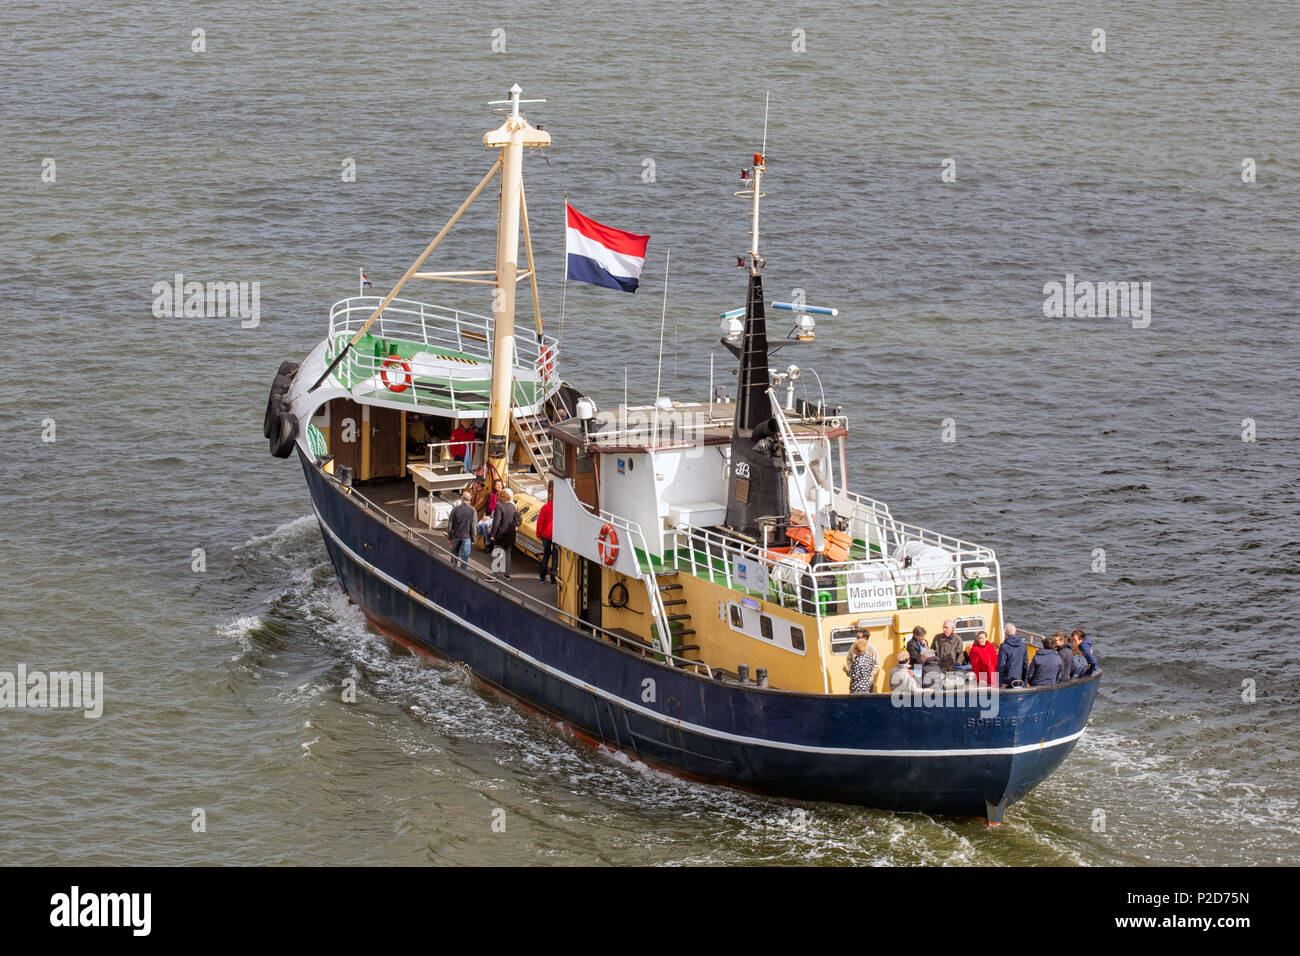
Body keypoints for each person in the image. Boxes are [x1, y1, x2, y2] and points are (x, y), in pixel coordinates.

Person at [489, 488, 520, 578]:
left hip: (501, 534)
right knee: (507, 554)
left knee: (497, 552)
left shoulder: (499, 506)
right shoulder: (512, 506)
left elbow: (496, 522)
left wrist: (492, 534)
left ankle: (495, 575)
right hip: (511, 534)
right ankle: (507, 574)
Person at [447, 489, 476, 570]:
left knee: (454, 553)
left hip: (456, 535)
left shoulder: (455, 509)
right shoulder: (473, 511)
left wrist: (449, 537)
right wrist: (473, 539)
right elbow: (473, 526)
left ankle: (453, 568)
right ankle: (463, 572)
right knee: (465, 556)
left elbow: (450, 524)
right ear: (470, 500)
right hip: (467, 537)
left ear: (462, 498)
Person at [536, 483, 557, 584]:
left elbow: (540, 522)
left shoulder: (545, 507)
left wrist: (538, 534)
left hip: (546, 535)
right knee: (555, 559)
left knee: (546, 556)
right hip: (557, 536)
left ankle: (542, 577)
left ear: (550, 496)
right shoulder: (561, 508)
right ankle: (553, 580)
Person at [997, 623, 1028, 688]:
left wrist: (1000, 682)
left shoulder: (1004, 646)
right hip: (1019, 679)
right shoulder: (1023, 645)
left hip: (1007, 681)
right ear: (1015, 632)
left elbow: (1001, 665)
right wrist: (1024, 680)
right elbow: (1025, 664)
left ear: (1006, 634)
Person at [477, 478, 504, 547]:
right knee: (479, 525)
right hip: (488, 514)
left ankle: (488, 543)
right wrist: (484, 515)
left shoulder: (502, 495)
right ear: (494, 486)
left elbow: (500, 510)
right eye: (497, 485)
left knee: (484, 525)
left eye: (500, 485)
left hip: (496, 516)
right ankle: (483, 538)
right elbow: (487, 506)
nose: (499, 486)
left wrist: (489, 517)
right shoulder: (491, 494)